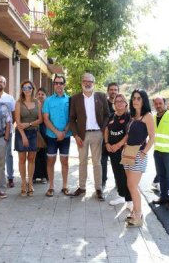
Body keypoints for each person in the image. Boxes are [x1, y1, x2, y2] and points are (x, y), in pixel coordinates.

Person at [69, 73, 109, 201]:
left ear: (94, 83)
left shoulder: (101, 96)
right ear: (81, 82)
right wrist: (75, 135)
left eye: (90, 81)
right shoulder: (75, 98)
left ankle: (98, 188)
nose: (87, 83)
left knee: (97, 163)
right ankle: (82, 187)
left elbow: (108, 115)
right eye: (85, 81)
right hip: (82, 135)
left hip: (97, 133)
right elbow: (71, 119)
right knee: (82, 162)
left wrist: (103, 130)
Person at [123, 89, 155, 228]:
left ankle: (139, 215)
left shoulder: (147, 116)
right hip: (127, 153)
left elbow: (152, 138)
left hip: (138, 154)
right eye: (134, 98)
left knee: (132, 186)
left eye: (138, 98)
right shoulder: (132, 116)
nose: (135, 101)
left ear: (143, 101)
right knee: (130, 185)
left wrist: (143, 153)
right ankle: (135, 212)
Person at [42, 75, 72, 197]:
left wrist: (64, 132)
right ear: (54, 85)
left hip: (66, 136)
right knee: (51, 161)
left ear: (64, 85)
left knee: (64, 161)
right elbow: (45, 119)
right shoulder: (48, 100)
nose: (58, 85)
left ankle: (65, 186)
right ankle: (51, 187)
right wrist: (56, 132)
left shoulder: (70, 100)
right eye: (56, 83)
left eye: (60, 83)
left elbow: (72, 118)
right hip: (51, 136)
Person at [14, 80, 42, 197]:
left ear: (32, 89)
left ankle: (30, 183)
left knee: (31, 159)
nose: (27, 90)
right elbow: (18, 122)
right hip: (21, 134)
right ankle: (23, 183)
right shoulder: (19, 103)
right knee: (22, 159)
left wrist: (29, 124)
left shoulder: (37, 102)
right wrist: (24, 136)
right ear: (22, 90)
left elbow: (40, 120)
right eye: (24, 88)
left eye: (29, 87)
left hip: (34, 133)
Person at [104, 94, 132, 208]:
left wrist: (118, 145)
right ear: (114, 104)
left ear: (126, 103)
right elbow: (106, 130)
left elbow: (129, 133)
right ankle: (121, 195)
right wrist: (107, 143)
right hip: (112, 150)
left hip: (125, 150)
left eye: (122, 101)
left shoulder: (129, 116)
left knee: (128, 175)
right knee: (118, 173)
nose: (119, 103)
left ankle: (130, 201)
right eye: (117, 101)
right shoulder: (111, 116)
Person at [101, 82, 119, 189]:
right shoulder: (104, 104)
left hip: (117, 139)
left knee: (116, 162)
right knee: (103, 160)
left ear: (118, 91)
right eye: (111, 89)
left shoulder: (121, 104)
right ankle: (102, 181)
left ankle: (118, 181)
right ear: (108, 91)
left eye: (115, 90)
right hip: (104, 138)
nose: (113, 91)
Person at [33, 87, 48, 184]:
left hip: (45, 131)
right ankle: (34, 176)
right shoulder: (33, 105)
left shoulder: (48, 105)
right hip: (34, 131)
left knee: (44, 154)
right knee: (34, 155)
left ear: (46, 96)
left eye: (42, 94)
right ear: (36, 95)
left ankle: (44, 176)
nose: (40, 96)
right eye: (39, 94)